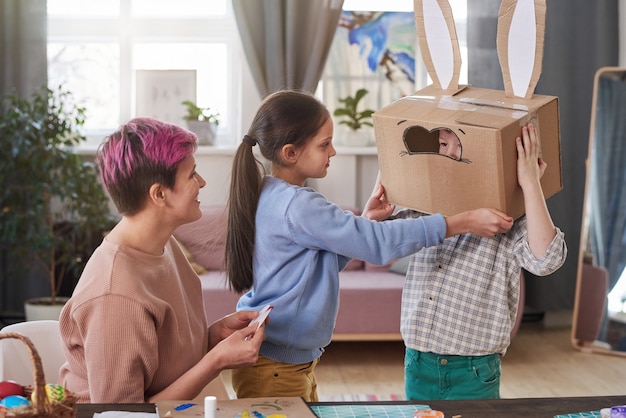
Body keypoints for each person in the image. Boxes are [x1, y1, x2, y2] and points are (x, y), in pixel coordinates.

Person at [224, 89, 515, 401]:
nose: (333, 152)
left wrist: (366, 220)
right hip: (277, 368)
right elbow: (378, 245)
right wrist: (461, 222)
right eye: (324, 144)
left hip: (281, 362)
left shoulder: (272, 195)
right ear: (290, 153)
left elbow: (316, 262)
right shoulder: (299, 205)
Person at [58, 117, 265, 403]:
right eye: (192, 174)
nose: (202, 182)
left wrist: (212, 337)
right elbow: (122, 416)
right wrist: (215, 361)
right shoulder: (116, 294)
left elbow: (160, 360)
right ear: (159, 194)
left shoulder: (164, 244)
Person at [401, 122, 567, 400]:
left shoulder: (510, 217)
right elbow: (382, 240)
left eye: (461, 146)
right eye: (443, 145)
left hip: (474, 368)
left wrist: (530, 183)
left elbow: (547, 260)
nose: (450, 155)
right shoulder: (425, 203)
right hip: (418, 360)